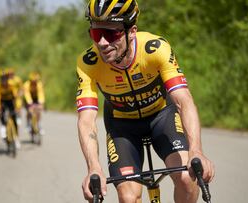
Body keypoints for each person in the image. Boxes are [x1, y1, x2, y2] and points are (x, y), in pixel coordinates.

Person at [76, 1, 215, 203]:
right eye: (97, 34)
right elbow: (86, 120)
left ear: (131, 31)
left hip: (161, 117)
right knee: (128, 196)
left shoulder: (155, 49)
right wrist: (93, 168)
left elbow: (183, 100)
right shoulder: (88, 62)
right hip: (122, 127)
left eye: (112, 34)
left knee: (187, 178)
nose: (103, 43)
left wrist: (197, 150)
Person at [0, 70, 21, 149]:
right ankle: (3, 128)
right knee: (2, 116)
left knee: (14, 119)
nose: (4, 80)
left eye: (5, 78)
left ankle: (16, 138)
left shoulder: (11, 85)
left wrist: (18, 107)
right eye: (2, 78)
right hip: (3, 102)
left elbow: (17, 97)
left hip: (11, 102)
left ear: (7, 78)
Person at [23, 71, 45, 136]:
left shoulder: (39, 84)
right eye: (33, 81)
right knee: (29, 111)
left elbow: (41, 94)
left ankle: (39, 125)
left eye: (36, 81)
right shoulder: (26, 84)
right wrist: (30, 103)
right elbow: (27, 94)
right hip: (28, 99)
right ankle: (28, 124)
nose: (34, 82)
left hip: (36, 98)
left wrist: (41, 102)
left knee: (38, 111)